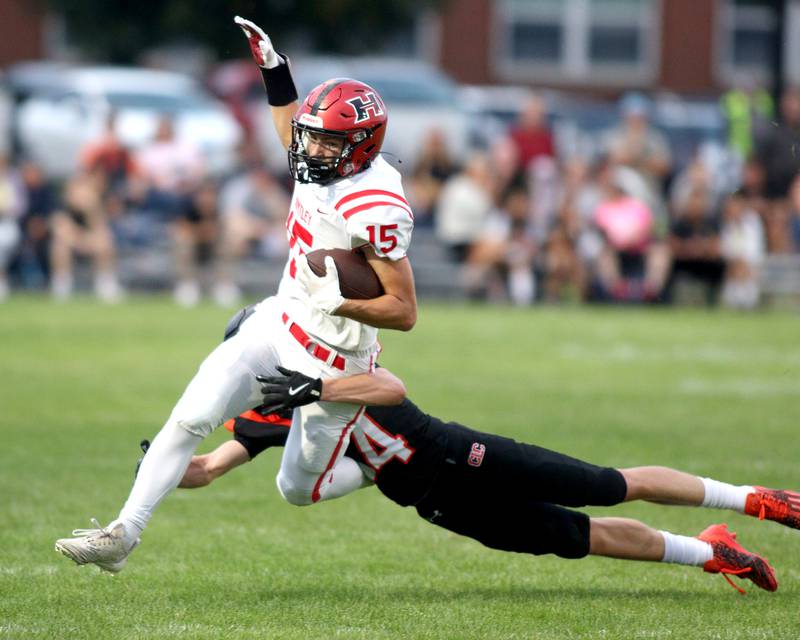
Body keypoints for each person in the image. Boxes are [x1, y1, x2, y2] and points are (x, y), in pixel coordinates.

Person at [54, 16, 417, 573]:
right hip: (277, 323)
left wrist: (338, 300)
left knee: (296, 487)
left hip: (337, 358)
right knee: (189, 415)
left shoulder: (377, 205)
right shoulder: (319, 162)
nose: (306, 146)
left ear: (359, 147)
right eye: (310, 135)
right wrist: (275, 70)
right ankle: (123, 534)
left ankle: (372, 463)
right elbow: (288, 129)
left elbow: (404, 311)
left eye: (324, 139)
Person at [128, 361, 798, 595]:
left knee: (602, 482)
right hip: (434, 502)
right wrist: (164, 467)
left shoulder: (333, 355)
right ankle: (711, 552)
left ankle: (753, 499)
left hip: (456, 453)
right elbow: (211, 469)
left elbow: (390, 386)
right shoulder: (268, 409)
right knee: (577, 536)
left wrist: (317, 384)